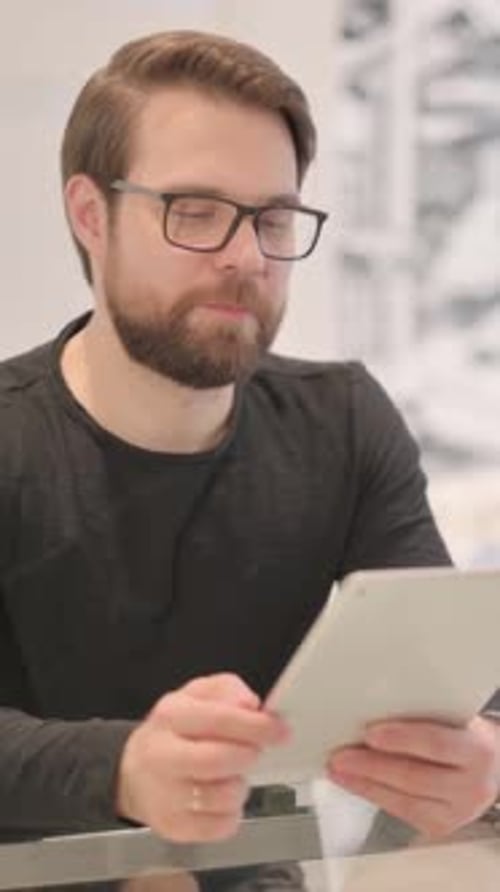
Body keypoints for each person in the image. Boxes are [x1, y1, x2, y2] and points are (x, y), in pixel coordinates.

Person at [0, 29, 499, 853]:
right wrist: (124, 768)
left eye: (273, 219)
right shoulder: (15, 439)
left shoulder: (341, 423)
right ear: (92, 215)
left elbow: (454, 683)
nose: (245, 257)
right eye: (194, 213)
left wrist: (480, 754)